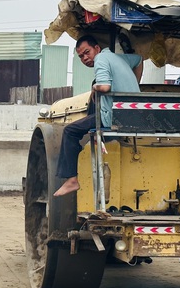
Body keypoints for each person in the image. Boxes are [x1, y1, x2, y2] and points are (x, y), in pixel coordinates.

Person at [53, 35, 143, 197]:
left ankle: (72, 180)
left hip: (115, 116)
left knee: (70, 131)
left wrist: (95, 87)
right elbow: (139, 60)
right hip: (133, 114)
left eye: (87, 52)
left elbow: (105, 87)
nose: (85, 58)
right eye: (81, 56)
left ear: (97, 48)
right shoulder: (117, 58)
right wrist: (134, 88)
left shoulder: (101, 59)